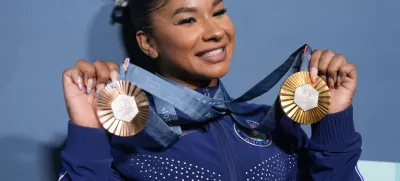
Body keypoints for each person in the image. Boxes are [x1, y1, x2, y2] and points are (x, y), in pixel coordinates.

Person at [59, 0, 363, 180]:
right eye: (188, 19)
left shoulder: (274, 127)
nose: (216, 32)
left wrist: (333, 121)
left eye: (218, 11)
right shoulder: (127, 136)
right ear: (147, 43)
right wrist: (88, 131)